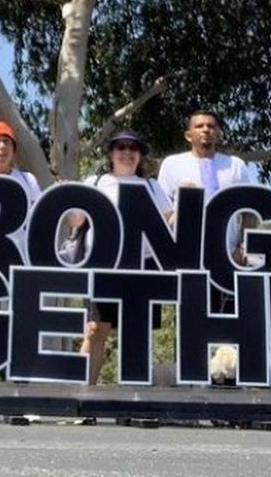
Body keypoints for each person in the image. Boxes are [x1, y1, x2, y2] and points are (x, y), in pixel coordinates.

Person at [77, 132, 171, 386]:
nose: (127, 152)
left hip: (143, 266)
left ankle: (133, 395)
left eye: (133, 148)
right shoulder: (95, 182)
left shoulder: (152, 186)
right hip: (103, 265)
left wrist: (188, 203)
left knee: (137, 332)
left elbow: (170, 219)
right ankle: (81, 394)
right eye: (121, 147)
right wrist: (63, 197)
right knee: (95, 329)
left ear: (140, 155)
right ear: (111, 153)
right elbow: (76, 220)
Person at [157, 110, 251, 274]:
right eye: (199, 126)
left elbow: (248, 212)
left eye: (211, 126)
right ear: (188, 135)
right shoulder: (172, 164)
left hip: (228, 256)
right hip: (185, 256)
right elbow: (162, 213)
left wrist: (244, 246)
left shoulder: (235, 165)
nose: (206, 129)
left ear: (218, 134)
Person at [0, 121, 42, 270]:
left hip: (20, 263)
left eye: (6, 141)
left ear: (13, 149)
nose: (2, 146)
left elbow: (40, 218)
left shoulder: (28, 180)